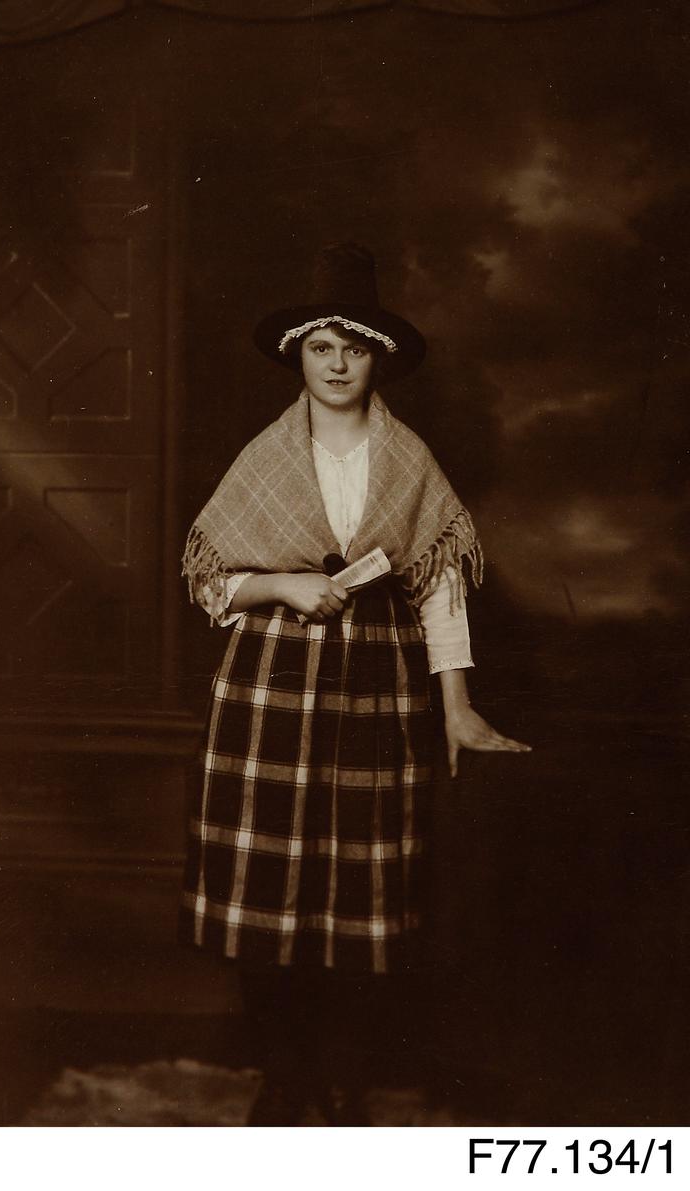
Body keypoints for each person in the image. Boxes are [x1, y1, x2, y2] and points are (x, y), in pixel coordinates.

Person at [179, 243, 530, 1125]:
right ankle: (283, 1074)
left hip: (375, 680)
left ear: (379, 359)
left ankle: (342, 1078)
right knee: (272, 886)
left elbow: (440, 583)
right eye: (321, 347)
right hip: (270, 682)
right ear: (298, 357)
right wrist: (283, 585)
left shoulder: (408, 461)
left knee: (360, 883)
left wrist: (455, 702)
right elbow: (214, 581)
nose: (338, 364)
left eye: (355, 348)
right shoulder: (263, 460)